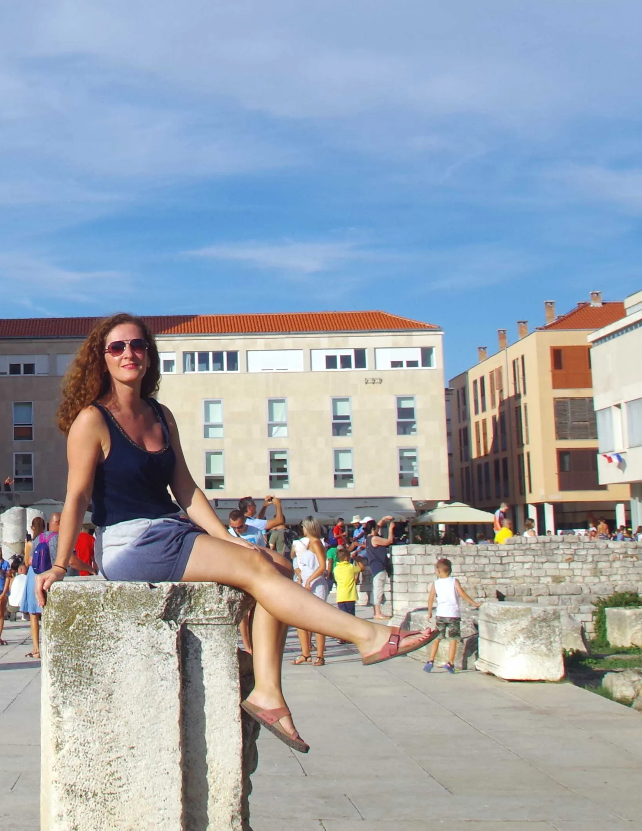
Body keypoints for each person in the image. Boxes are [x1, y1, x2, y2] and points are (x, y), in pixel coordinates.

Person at [35, 314, 430, 755]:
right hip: (131, 542)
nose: (129, 353)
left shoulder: (160, 415)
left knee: (277, 564)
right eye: (117, 347)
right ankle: (366, 636)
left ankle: (267, 692)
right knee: (260, 567)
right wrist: (58, 563)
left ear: (149, 356)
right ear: (101, 358)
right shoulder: (93, 419)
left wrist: (226, 536)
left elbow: (184, 488)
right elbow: (76, 497)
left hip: (174, 529)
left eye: (138, 346)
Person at [422, 557, 478, 673]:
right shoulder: (454, 581)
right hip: (453, 614)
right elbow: (462, 594)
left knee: (437, 638)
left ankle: (430, 661)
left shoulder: (436, 583)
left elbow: (431, 599)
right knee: (453, 639)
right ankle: (450, 662)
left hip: (441, 614)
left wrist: (429, 613)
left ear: (438, 571)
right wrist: (474, 603)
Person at [291, 519, 329, 666]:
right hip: (306, 583)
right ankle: (305, 653)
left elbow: (321, 566)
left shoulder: (316, 543)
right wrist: (302, 578)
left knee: (318, 621)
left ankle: (320, 655)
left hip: (315, 584)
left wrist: (309, 580)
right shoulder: (307, 543)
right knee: (300, 620)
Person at [22, 514, 49, 658]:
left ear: (32, 528)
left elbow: (28, 562)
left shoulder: (31, 543)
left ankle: (36, 648)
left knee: (33, 614)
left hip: (34, 575)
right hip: (46, 573)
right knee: (45, 612)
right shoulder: (47, 539)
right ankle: (47, 645)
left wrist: (26, 547)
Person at [361, 516, 395, 621]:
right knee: (378, 590)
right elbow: (389, 541)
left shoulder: (368, 538)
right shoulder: (375, 539)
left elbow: (377, 526)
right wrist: (391, 529)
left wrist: (384, 519)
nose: (378, 529)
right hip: (379, 567)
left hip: (375, 567)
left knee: (376, 589)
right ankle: (378, 613)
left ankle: (377, 612)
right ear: (373, 529)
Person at [332, 544, 361, 619]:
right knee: (351, 617)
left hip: (340, 596)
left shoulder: (336, 569)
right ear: (346, 558)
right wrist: (357, 560)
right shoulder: (350, 567)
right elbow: (361, 568)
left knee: (343, 617)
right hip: (350, 596)